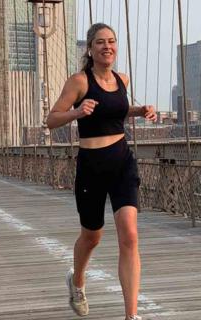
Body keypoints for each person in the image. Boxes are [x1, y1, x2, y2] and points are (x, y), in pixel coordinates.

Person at [46, 23, 156, 320]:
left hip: (122, 161)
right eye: (100, 42)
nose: (107, 46)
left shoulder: (123, 79)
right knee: (92, 236)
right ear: (90, 49)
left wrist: (140, 110)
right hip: (91, 167)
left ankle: (131, 316)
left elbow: (114, 111)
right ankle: (78, 281)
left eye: (112, 41)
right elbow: (51, 119)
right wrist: (77, 112)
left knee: (130, 236)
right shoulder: (79, 82)